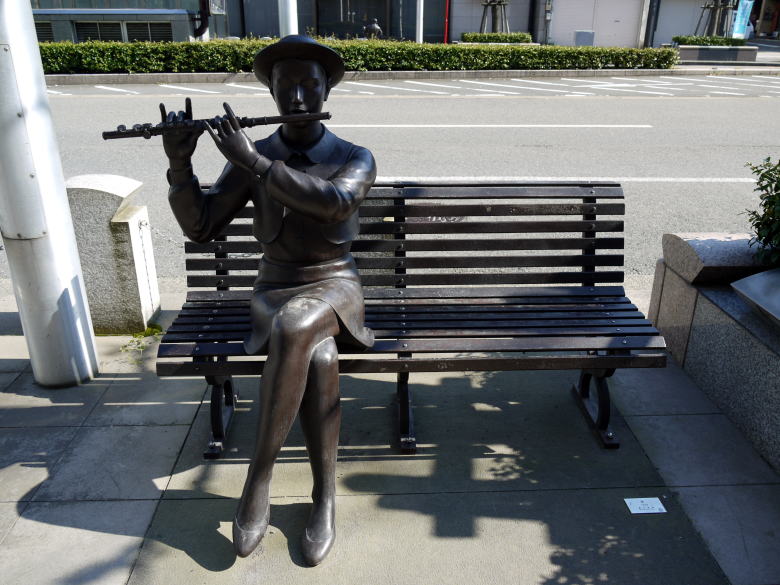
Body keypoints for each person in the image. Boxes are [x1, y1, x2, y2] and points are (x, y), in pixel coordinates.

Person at [160, 35, 376, 565]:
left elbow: (334, 205)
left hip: (335, 287)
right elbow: (202, 226)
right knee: (317, 352)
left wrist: (256, 166)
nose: (299, 98)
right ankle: (323, 496)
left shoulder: (354, 157)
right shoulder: (259, 155)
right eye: (286, 88)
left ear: (327, 88)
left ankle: (258, 478)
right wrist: (180, 166)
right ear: (273, 94)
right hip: (274, 286)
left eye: (309, 85)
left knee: (296, 326)